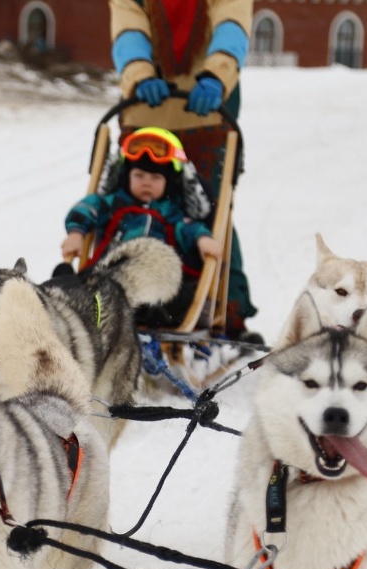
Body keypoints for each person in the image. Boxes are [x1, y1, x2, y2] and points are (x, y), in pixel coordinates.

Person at [109, 0, 260, 340]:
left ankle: (226, 309)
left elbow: (231, 20)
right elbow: (129, 25)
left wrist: (218, 75)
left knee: (208, 209)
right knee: (125, 204)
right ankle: (111, 294)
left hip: (208, 105)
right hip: (146, 104)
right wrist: (139, 74)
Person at [58, 127, 220, 328]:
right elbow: (88, 207)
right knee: (91, 285)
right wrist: (76, 233)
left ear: (168, 182)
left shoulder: (171, 213)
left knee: (184, 293)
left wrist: (202, 239)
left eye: (155, 178)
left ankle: (153, 314)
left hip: (157, 278)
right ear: (127, 176)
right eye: (139, 175)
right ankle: (66, 291)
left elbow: (190, 228)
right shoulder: (115, 203)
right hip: (113, 272)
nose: (147, 183)